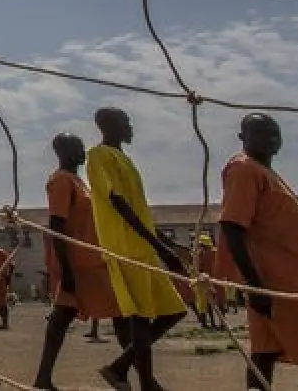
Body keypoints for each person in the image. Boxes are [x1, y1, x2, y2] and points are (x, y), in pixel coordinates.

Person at [87, 107, 186, 391]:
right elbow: (118, 203)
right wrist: (158, 245)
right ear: (107, 125)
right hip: (124, 247)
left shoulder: (126, 160)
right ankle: (145, 384)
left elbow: (138, 211)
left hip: (144, 248)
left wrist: (167, 244)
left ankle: (119, 368)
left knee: (173, 311)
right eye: (125, 122)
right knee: (141, 318)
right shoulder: (99, 155)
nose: (130, 127)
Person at [219, 113, 298, 390]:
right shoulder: (244, 169)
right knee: (267, 349)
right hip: (280, 284)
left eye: (274, 133)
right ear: (242, 138)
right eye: (260, 133)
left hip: (293, 278)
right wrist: (254, 285)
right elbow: (233, 226)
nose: (270, 139)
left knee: (266, 350)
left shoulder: (266, 173)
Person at [33, 133, 124, 391]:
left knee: (64, 318)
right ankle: (132, 373)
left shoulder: (80, 182)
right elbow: (57, 225)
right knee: (120, 315)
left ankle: (125, 370)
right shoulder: (61, 181)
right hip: (80, 264)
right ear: (62, 152)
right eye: (77, 147)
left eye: (82, 146)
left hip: (92, 261)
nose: (83, 151)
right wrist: (67, 270)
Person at [193, 233, 222, 330]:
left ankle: (205, 324)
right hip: (213, 280)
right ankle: (214, 323)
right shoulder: (214, 252)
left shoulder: (199, 253)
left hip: (203, 280)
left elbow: (198, 268)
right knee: (212, 303)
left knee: (203, 304)